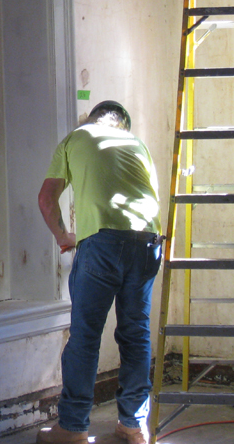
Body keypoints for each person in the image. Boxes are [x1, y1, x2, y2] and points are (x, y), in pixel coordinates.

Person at [36, 100, 162, 444]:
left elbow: (47, 198)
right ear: (122, 124)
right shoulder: (138, 145)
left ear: (92, 120)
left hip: (102, 244)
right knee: (136, 335)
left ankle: (73, 428)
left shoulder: (76, 138)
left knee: (86, 336)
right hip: (147, 243)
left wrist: (64, 236)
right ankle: (134, 426)